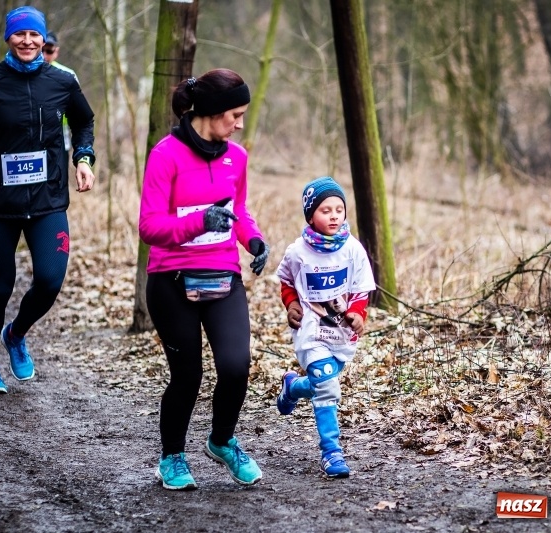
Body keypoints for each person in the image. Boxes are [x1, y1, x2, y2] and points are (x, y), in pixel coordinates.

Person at [0, 6, 96, 394]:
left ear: (43, 39)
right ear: (8, 39)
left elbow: (84, 121)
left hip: (48, 200)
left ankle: (16, 333)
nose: (27, 41)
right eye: (19, 35)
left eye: (34, 35)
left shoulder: (62, 82)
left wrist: (83, 157)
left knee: (49, 279)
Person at [139, 69, 270, 490]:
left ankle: (222, 441)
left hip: (222, 275)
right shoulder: (166, 154)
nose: (239, 123)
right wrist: (199, 222)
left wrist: (253, 240)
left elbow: (240, 211)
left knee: (235, 366)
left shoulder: (238, 157)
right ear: (211, 112)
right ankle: (172, 457)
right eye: (235, 114)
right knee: (188, 374)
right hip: (171, 280)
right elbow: (149, 226)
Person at [275, 176, 376, 478]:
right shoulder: (297, 252)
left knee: (322, 381)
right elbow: (285, 280)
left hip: (342, 334)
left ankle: (293, 387)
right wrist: (291, 304)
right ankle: (332, 453)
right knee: (328, 386)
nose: (334, 216)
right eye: (325, 210)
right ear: (310, 215)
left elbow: (361, 290)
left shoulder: (353, 250)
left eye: (339, 210)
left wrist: (358, 313)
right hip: (311, 332)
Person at [42, 31, 77, 154]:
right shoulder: (24, 74)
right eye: (41, 50)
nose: (44, 55)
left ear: (56, 52)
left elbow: (78, 112)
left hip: (60, 138)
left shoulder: (67, 75)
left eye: (49, 51)